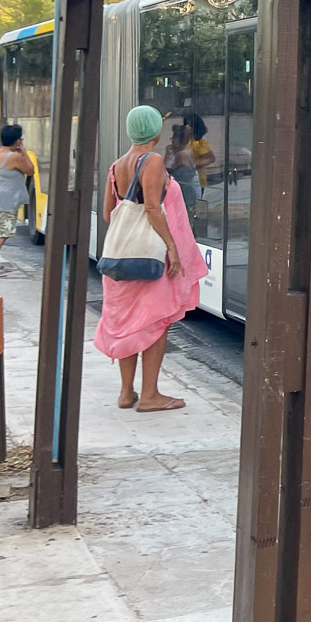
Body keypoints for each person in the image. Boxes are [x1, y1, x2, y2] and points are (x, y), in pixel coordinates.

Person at [94, 105, 206, 413]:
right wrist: (172, 247)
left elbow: (108, 214)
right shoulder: (153, 160)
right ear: (155, 131)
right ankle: (149, 395)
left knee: (127, 324)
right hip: (150, 259)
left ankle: (126, 392)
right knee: (156, 321)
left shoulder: (116, 166)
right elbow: (153, 208)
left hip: (122, 260)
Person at [0, 124, 34, 277]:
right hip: (5, 200)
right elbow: (30, 170)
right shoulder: (14, 156)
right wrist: (24, 154)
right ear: (17, 141)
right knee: (3, 233)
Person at [164, 122, 202, 212]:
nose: (172, 141)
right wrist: (168, 154)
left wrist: (168, 157)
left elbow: (169, 171)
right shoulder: (183, 150)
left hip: (187, 189)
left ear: (178, 141)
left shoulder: (182, 154)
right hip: (185, 187)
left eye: (174, 139)